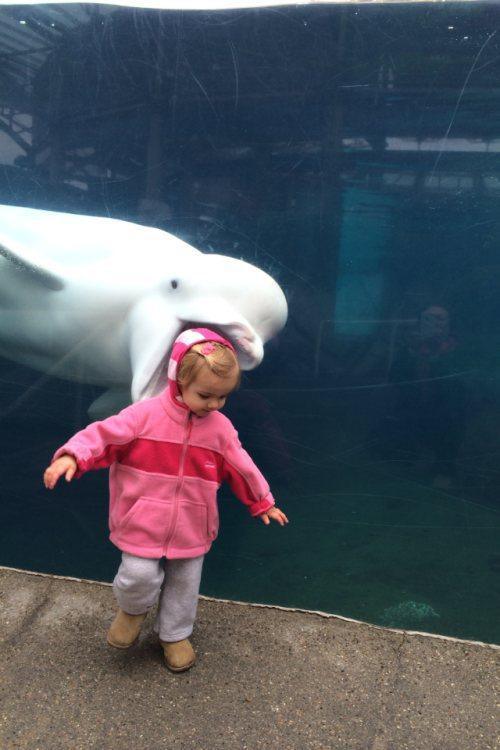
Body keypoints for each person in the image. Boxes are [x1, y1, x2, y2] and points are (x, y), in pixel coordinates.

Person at [43, 328, 288, 672]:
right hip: (141, 521)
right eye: (205, 395)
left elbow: (241, 467)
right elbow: (102, 436)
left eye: (223, 397)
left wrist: (262, 501)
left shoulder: (220, 429)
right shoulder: (143, 416)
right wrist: (73, 456)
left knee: (184, 585)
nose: (214, 405)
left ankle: (174, 634)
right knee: (138, 574)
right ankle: (133, 611)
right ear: (178, 380)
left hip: (193, 525)